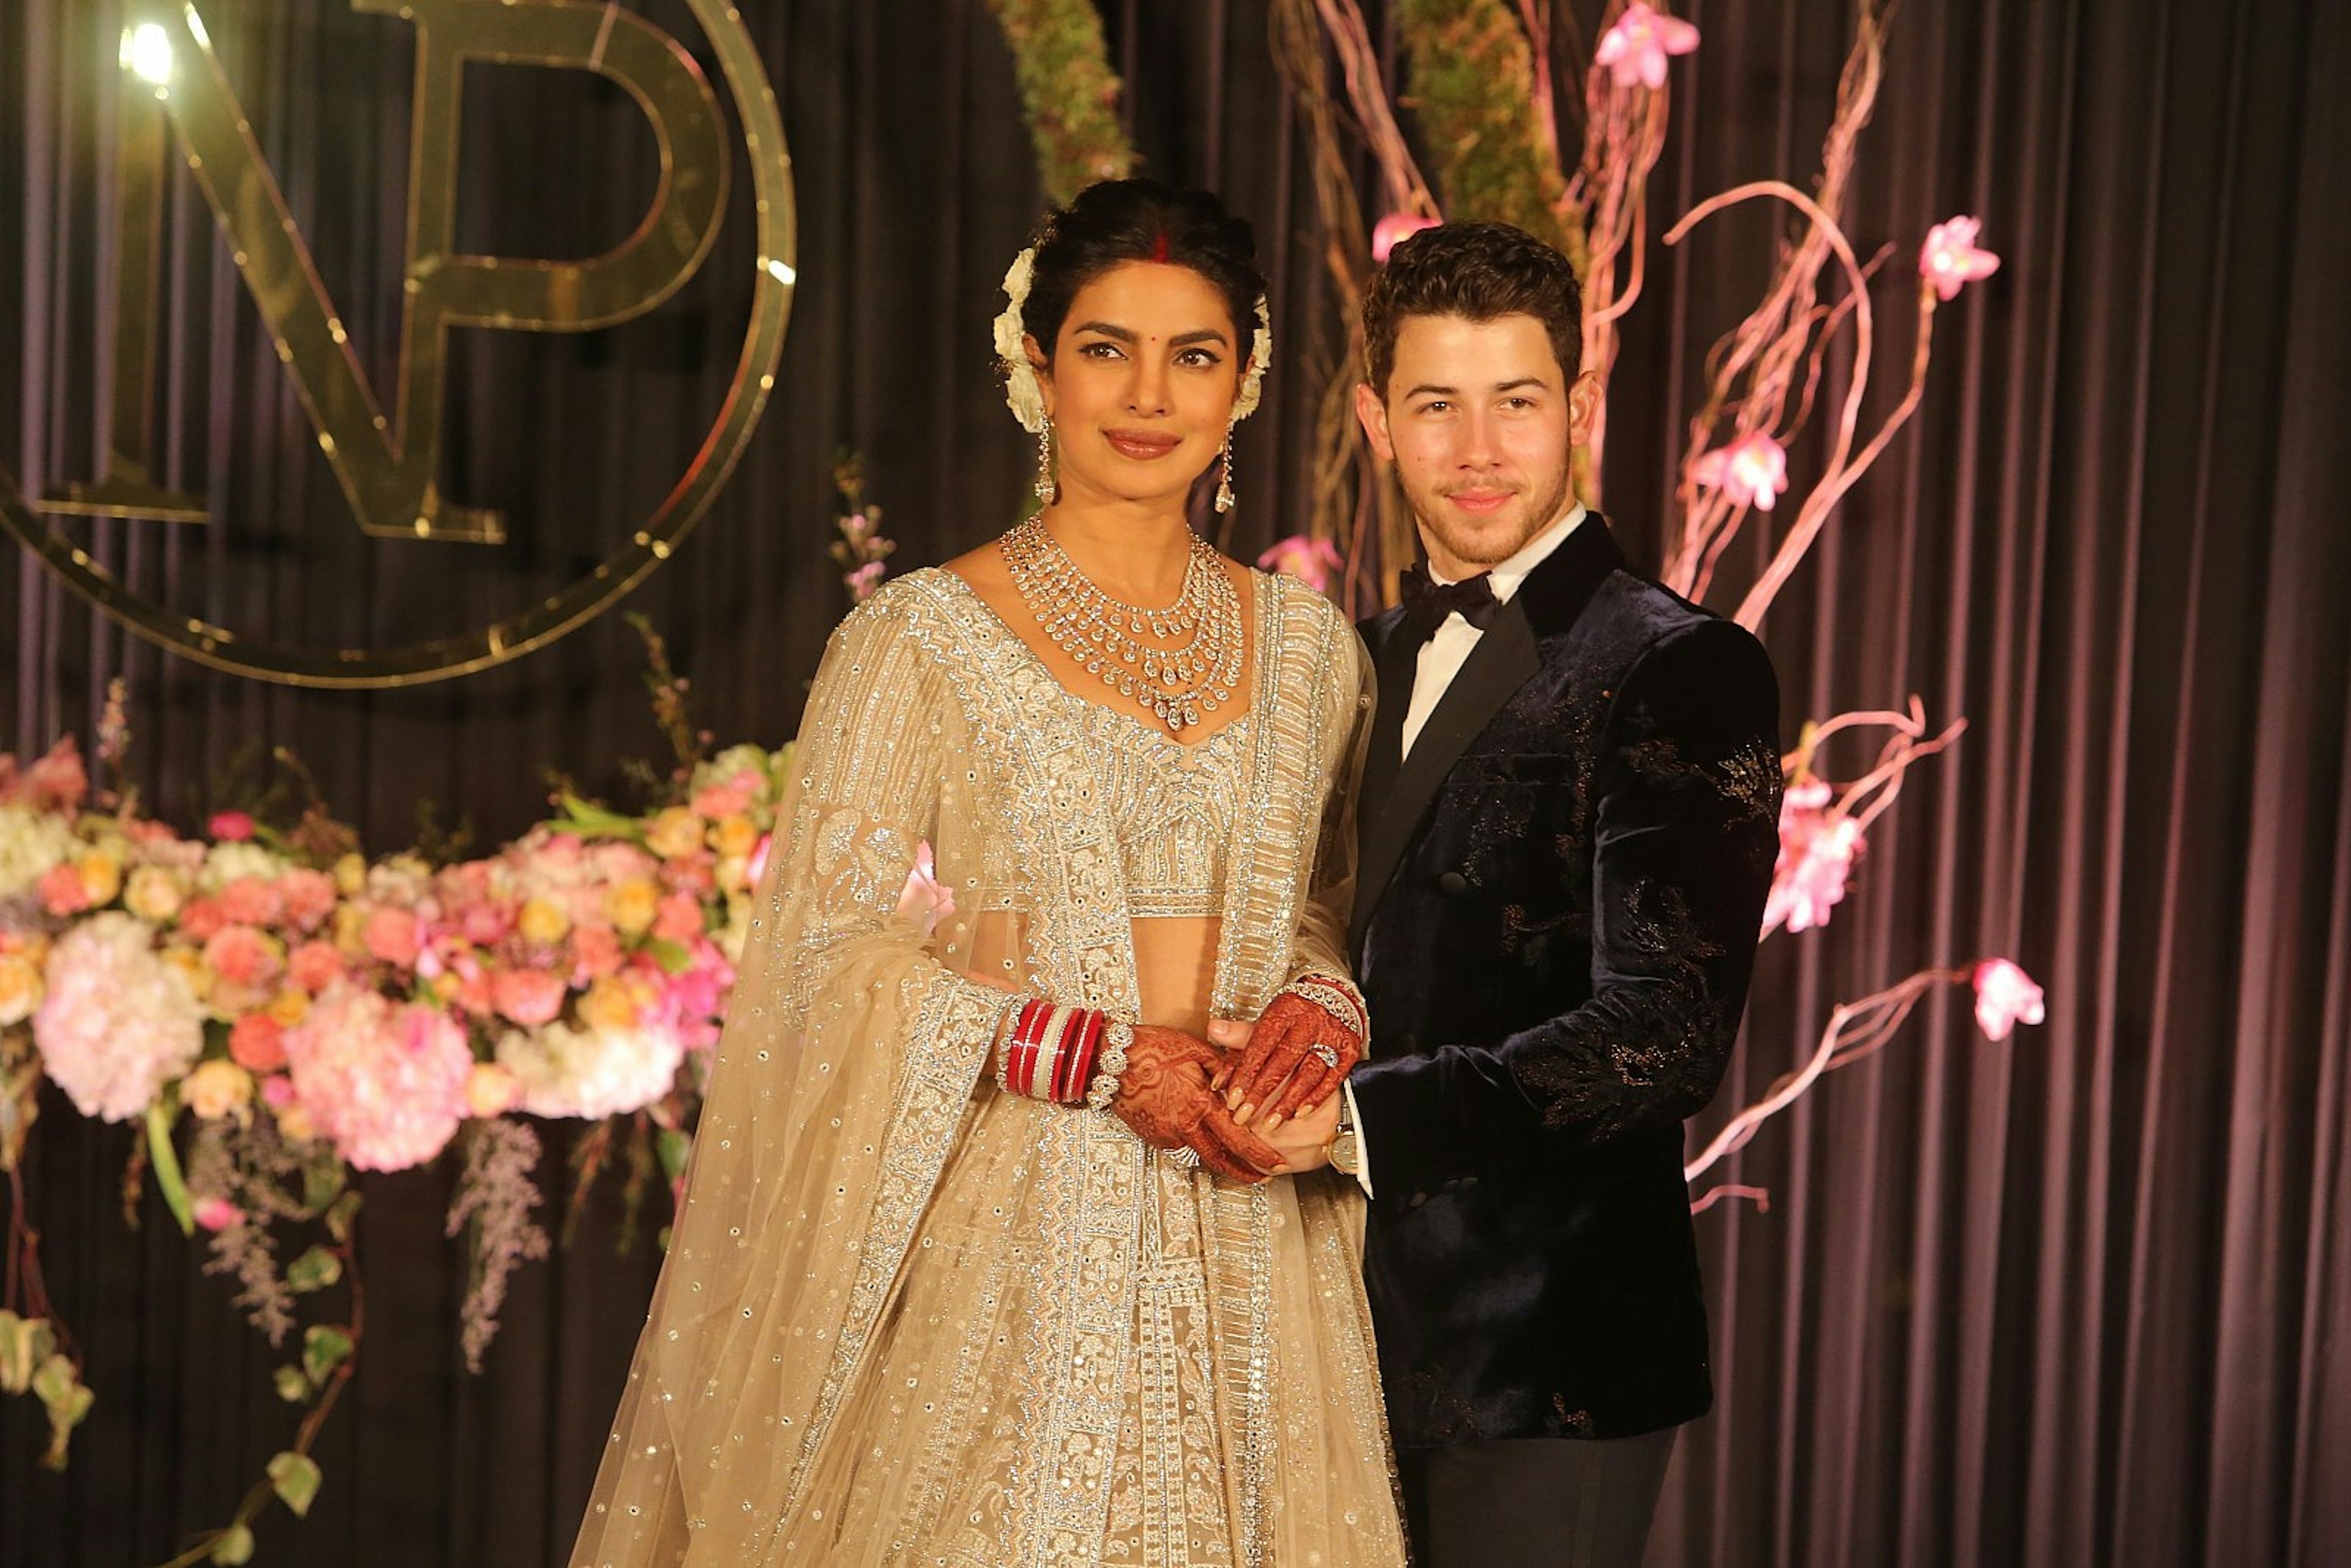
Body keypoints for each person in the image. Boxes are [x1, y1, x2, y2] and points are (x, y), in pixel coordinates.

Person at [571, 179, 1408, 1568]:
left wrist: (1326, 1008)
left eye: (1192, 356)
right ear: (1037, 365)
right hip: (1023, 1236)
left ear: (1244, 381)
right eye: (1105, 348)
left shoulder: (1314, 651)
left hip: (1259, 1236)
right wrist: (1084, 1052)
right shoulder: (918, 639)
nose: (1148, 396)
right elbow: (822, 954)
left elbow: (1317, 903)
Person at [1215, 220, 1782, 1566]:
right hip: (1328, 1345)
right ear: (1374, 418)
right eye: (1436, 405)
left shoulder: (1684, 666)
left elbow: (1663, 1035)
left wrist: (1352, 1124)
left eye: (1517, 403)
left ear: (1579, 406)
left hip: (1553, 1367)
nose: (1477, 449)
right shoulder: (1347, 663)